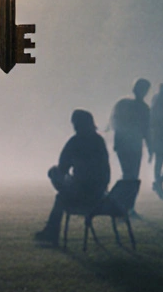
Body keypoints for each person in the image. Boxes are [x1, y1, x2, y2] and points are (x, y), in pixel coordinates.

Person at [34, 109, 111, 246]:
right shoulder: (99, 141)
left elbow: (62, 167)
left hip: (82, 192)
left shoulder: (75, 142)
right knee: (63, 192)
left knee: (56, 182)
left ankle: (52, 232)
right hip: (99, 193)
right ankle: (51, 231)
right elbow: (106, 169)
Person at [109, 79, 152, 185]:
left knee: (127, 173)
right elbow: (145, 130)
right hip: (134, 145)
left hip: (122, 143)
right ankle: (128, 197)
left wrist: (116, 141)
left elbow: (115, 124)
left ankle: (124, 197)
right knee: (133, 174)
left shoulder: (122, 104)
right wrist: (150, 146)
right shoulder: (144, 108)